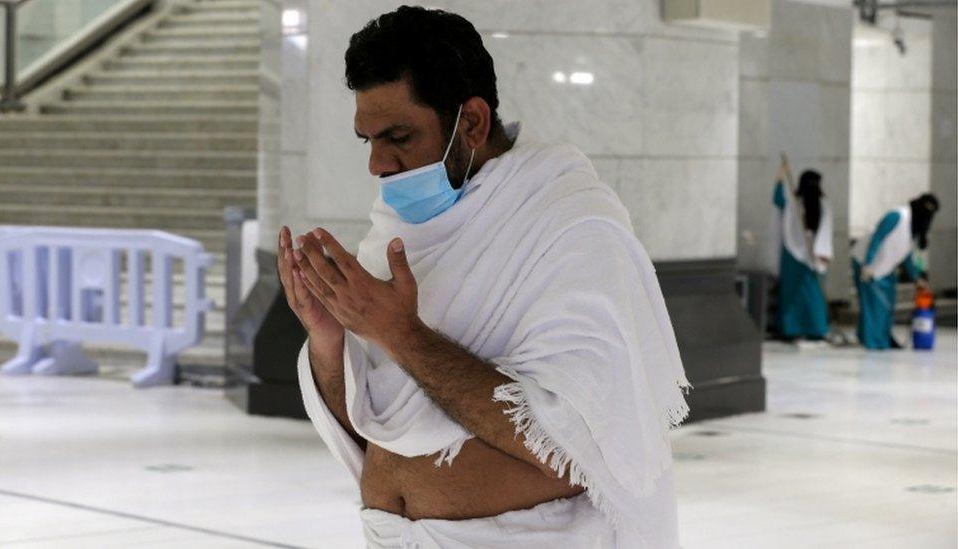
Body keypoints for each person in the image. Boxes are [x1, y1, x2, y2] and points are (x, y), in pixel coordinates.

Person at [275, 6, 689, 548]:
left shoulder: (572, 227)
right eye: (368, 140)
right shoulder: (396, 228)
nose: (378, 164)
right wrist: (328, 340)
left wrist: (402, 334)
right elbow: (368, 429)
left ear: (471, 122)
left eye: (398, 136)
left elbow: (579, 449)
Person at [851, 193, 939, 349]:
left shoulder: (915, 228)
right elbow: (877, 238)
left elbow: (907, 256)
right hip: (865, 262)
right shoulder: (897, 216)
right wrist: (868, 265)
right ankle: (874, 341)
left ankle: (880, 336)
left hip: (885, 266)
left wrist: (916, 278)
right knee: (874, 304)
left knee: (888, 303)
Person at [772, 165, 833, 341]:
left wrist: (780, 177)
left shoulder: (795, 203)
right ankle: (814, 328)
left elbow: (777, 199)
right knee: (810, 294)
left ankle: (794, 329)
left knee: (797, 295)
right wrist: (822, 252)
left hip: (796, 255)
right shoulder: (798, 204)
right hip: (811, 256)